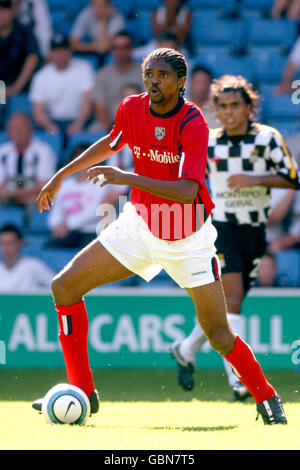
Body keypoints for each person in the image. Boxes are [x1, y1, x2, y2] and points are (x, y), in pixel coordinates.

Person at [32, 49, 287, 425]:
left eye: (162, 75)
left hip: (188, 241)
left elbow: (186, 190)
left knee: (218, 333)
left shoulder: (192, 122)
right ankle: (83, 393)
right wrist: (60, 175)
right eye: (148, 73)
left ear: (181, 82)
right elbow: (111, 141)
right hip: (139, 226)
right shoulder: (131, 107)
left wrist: (128, 178)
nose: (153, 80)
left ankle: (267, 399)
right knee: (64, 287)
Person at [170, 74, 299, 402]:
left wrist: (254, 179)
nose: (228, 112)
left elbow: (293, 178)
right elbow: (190, 179)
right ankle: (240, 379)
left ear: (249, 107)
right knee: (234, 299)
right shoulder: (209, 142)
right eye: (222, 106)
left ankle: (185, 350)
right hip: (221, 229)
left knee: (229, 306)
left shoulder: (267, 138)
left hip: (255, 231)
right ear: (215, 108)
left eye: (235, 105)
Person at [44, 143, 127, 249]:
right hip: (68, 232)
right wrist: (56, 226)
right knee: (48, 247)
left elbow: (96, 210)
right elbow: (56, 211)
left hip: (93, 231)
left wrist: (68, 224)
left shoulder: (101, 182)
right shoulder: (65, 184)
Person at [29, 33, 95, 139]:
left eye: (64, 50)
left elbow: (88, 101)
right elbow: (38, 111)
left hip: (79, 120)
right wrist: (50, 127)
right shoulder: (41, 76)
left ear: (70, 51)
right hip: (52, 121)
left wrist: (78, 124)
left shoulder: (84, 68)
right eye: (56, 51)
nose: (61, 54)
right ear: (50, 53)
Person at [89, 31, 144, 133]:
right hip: (108, 123)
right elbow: (100, 106)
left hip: (136, 122)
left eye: (124, 47)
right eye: (116, 48)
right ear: (111, 50)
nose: (120, 51)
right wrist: (112, 129)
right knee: (95, 130)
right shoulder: (103, 74)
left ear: (131, 49)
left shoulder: (143, 72)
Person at [0, 112, 57, 208]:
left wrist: (14, 193)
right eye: (14, 128)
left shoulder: (43, 151)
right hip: (7, 198)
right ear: (9, 132)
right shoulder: (3, 151)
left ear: (31, 130)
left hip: (34, 198)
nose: (18, 132)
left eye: (22, 128)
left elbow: (44, 186)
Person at [0, 0, 39, 100]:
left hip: (20, 89)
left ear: (13, 11)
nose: (1, 14)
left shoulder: (25, 32)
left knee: (18, 113)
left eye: (4, 10)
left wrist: (15, 88)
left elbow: (32, 58)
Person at [70, 0, 125, 67]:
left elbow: (103, 48)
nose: (98, 8)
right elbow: (73, 42)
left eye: (102, 6)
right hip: (91, 50)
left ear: (109, 6)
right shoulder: (86, 13)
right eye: (95, 5)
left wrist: (103, 20)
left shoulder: (117, 16)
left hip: (111, 52)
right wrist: (93, 47)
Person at [0, 224, 54, 291]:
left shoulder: (33, 265)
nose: (6, 248)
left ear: (20, 243)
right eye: (2, 243)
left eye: (10, 243)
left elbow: (57, 285)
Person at [187, 65, 220, 129]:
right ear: (191, 83)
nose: (201, 87)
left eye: (204, 83)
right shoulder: (179, 107)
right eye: (199, 82)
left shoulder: (216, 110)